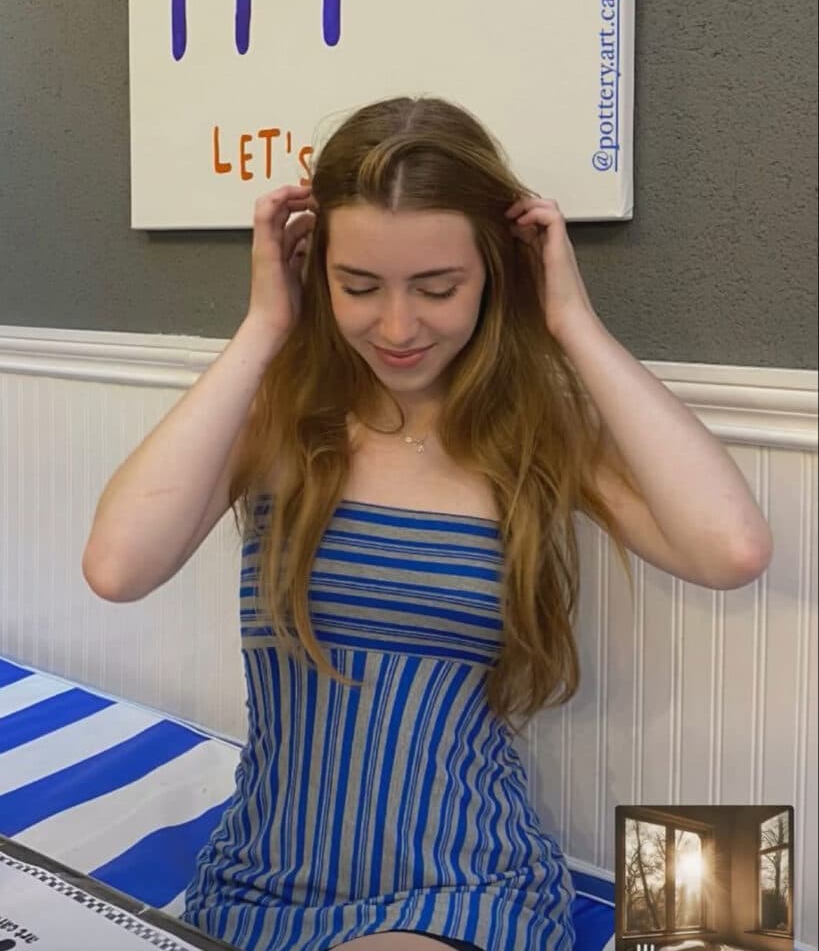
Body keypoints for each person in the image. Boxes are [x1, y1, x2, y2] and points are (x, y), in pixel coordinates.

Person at [82, 96, 774, 951]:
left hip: (460, 886)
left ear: (493, 274)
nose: (398, 327)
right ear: (315, 272)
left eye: (438, 288)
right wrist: (263, 325)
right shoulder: (278, 420)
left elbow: (730, 550)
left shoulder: (534, 430)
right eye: (358, 286)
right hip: (259, 877)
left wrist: (572, 322)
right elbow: (117, 569)